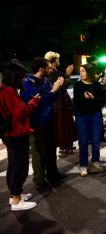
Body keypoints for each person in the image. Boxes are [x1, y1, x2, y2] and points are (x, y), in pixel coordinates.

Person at [21, 57, 65, 191]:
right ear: (41, 69)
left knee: (51, 149)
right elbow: (38, 103)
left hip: (49, 120)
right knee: (38, 153)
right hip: (36, 123)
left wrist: (58, 88)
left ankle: (53, 174)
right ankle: (39, 181)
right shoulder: (28, 83)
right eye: (48, 67)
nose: (51, 69)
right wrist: (53, 90)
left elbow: (53, 98)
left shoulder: (45, 81)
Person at [0, 62, 40, 211]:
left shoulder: (3, 90)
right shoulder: (9, 91)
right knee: (19, 167)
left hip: (9, 134)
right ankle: (16, 200)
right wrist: (34, 102)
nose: (24, 80)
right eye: (22, 77)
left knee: (13, 165)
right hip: (16, 134)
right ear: (15, 76)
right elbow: (20, 113)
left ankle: (14, 195)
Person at [73, 63, 106, 177]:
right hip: (82, 116)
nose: (81, 73)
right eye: (80, 71)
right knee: (83, 141)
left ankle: (96, 161)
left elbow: (102, 101)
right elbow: (76, 103)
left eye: (83, 71)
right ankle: (83, 165)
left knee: (96, 140)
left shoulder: (97, 85)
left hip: (95, 115)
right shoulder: (77, 86)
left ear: (89, 72)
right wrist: (84, 99)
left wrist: (93, 98)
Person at [44, 51, 77, 156]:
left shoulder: (53, 71)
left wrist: (66, 75)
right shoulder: (52, 72)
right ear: (54, 61)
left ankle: (67, 145)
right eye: (56, 60)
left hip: (61, 102)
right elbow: (61, 85)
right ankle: (64, 146)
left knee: (65, 125)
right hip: (59, 104)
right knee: (63, 125)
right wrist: (68, 74)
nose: (57, 61)